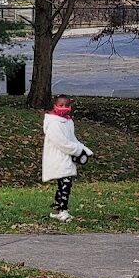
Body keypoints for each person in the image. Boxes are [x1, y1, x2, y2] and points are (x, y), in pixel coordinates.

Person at [42, 94, 93, 222]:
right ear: (55, 106)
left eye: (66, 105)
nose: (64, 108)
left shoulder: (68, 122)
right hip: (58, 159)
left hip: (67, 159)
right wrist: (77, 151)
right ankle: (63, 210)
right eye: (61, 105)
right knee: (65, 185)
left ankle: (58, 209)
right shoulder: (53, 123)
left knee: (63, 185)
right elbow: (62, 143)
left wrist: (84, 150)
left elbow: (72, 139)